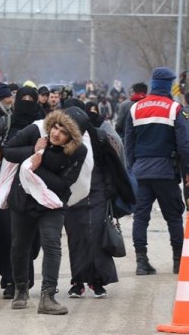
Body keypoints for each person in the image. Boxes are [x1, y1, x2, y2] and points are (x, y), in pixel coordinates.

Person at [4, 107, 88, 315]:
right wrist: (33, 150)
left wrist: (37, 165)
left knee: (52, 245)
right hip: (23, 198)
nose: (56, 133)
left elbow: (63, 184)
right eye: (56, 127)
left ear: (72, 138)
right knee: (20, 246)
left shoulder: (79, 151)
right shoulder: (35, 132)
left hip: (52, 203)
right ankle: (20, 289)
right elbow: (7, 150)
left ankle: (48, 296)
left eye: (64, 132)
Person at [124, 67, 189, 275]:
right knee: (173, 217)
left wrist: (132, 168)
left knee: (141, 217)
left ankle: (141, 261)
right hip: (166, 172)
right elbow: (184, 144)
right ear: (168, 85)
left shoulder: (135, 109)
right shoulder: (175, 109)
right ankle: (177, 261)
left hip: (141, 173)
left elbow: (128, 143)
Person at [63, 99, 130, 299]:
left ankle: (97, 281)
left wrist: (110, 188)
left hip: (98, 193)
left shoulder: (98, 137)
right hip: (72, 195)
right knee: (76, 239)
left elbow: (110, 164)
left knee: (96, 236)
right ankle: (77, 281)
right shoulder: (61, 140)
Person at [0, 86, 42, 300]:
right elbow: (3, 152)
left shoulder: (43, 126)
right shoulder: (5, 125)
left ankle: (25, 276)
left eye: (31, 98)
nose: (27, 101)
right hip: (9, 188)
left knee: (32, 239)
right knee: (8, 235)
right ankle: (11, 279)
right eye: (23, 98)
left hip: (35, 187)